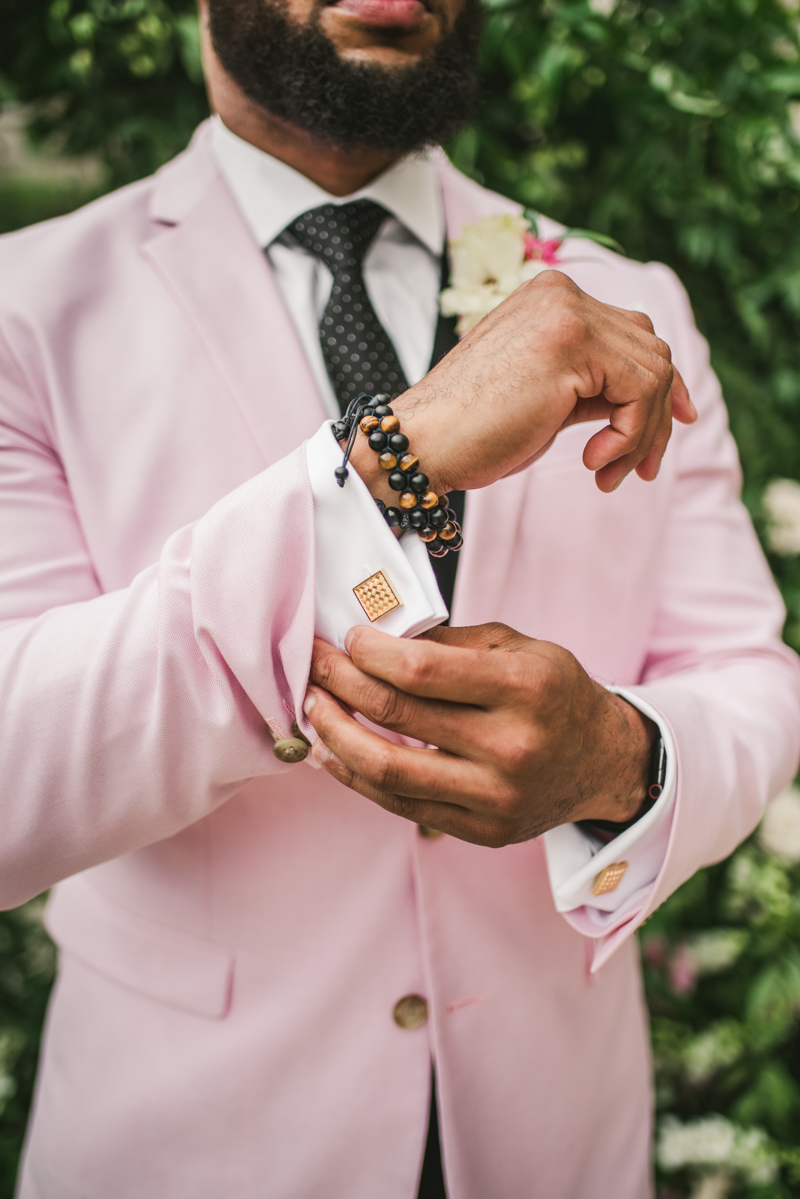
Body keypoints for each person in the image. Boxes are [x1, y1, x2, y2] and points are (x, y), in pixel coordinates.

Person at [0, 0, 797, 1193]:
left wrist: (620, 759)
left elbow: (744, 671)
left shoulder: (631, 303)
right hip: (186, 1146)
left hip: (555, 1138)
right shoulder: (25, 308)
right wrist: (394, 457)